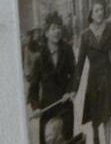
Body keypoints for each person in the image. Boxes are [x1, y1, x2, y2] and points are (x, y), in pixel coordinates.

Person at [71, 0, 111, 144]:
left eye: (101, 10)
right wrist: (74, 88)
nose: (100, 13)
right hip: (93, 80)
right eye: (96, 10)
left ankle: (108, 142)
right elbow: (79, 65)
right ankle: (96, 139)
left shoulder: (109, 28)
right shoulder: (85, 36)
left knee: (107, 114)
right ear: (91, 14)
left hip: (107, 77)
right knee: (95, 117)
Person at [28, 13, 76, 144]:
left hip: (65, 107)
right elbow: (33, 88)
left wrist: (70, 91)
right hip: (47, 109)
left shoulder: (67, 50)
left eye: (59, 27)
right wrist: (36, 107)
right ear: (46, 33)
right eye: (53, 28)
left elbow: (74, 75)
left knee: (66, 140)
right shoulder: (39, 57)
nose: (57, 31)